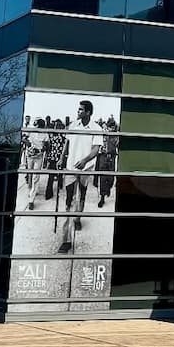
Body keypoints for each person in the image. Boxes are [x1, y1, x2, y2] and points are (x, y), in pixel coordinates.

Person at [57, 101, 101, 254]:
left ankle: (77, 218)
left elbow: (96, 150)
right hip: (70, 168)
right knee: (68, 201)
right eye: (78, 109)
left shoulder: (97, 128)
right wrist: (61, 158)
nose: (78, 111)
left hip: (86, 169)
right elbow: (66, 143)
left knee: (81, 197)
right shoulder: (73, 125)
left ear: (88, 112)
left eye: (81, 109)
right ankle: (66, 241)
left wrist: (84, 161)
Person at [95, 114, 120, 208]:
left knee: (110, 178)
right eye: (110, 126)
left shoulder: (116, 136)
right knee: (102, 178)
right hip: (103, 157)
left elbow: (118, 146)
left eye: (113, 126)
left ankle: (108, 188)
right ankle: (102, 198)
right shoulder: (103, 134)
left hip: (112, 157)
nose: (111, 128)